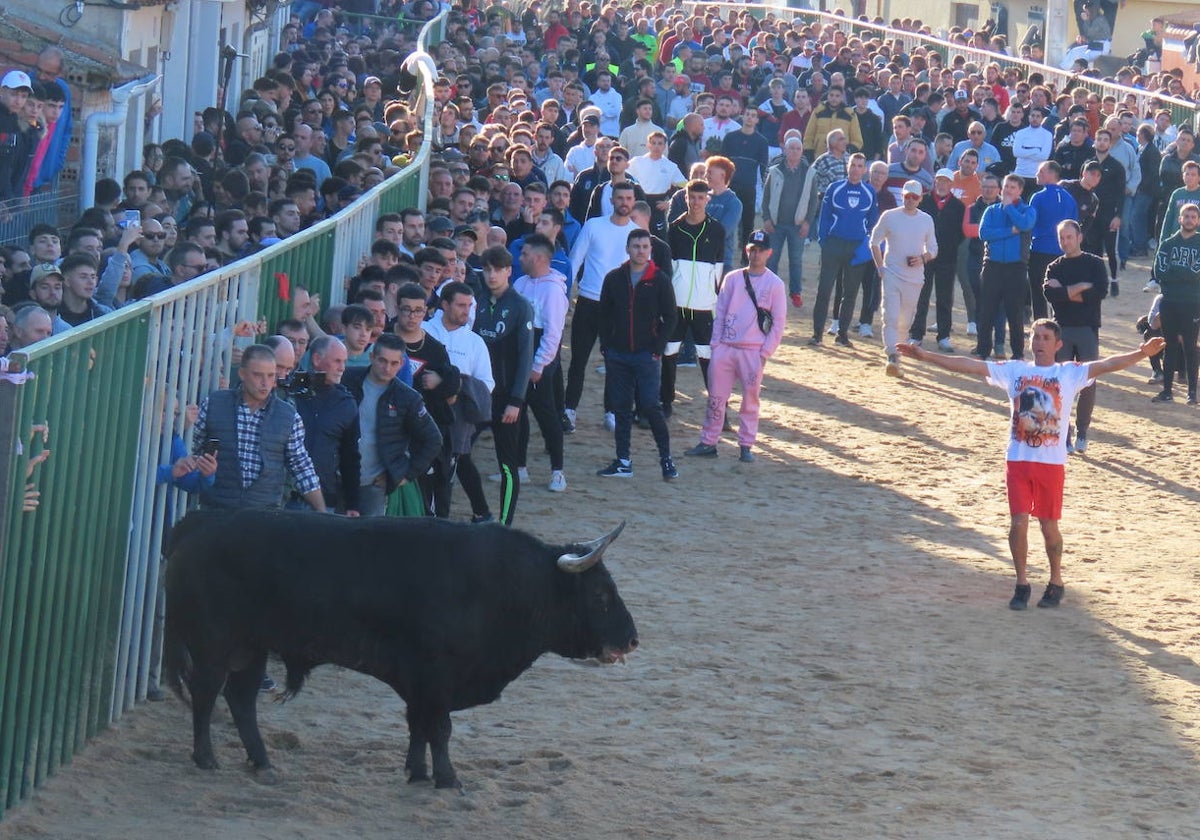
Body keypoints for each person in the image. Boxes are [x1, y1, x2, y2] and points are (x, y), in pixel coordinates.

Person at [897, 320, 1164, 610]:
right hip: (1018, 460)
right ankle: (1022, 583)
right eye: (1035, 337)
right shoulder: (1016, 370)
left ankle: (1056, 581)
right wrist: (926, 356)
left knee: (1049, 527)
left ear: (1057, 345)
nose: (1039, 342)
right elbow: (970, 365)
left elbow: (1107, 364)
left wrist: (1141, 353)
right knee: (1018, 522)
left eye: (1045, 338)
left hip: (1051, 464)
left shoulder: (1069, 373)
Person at [684, 231, 786, 463]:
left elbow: (779, 323)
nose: (756, 254)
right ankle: (709, 441)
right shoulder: (732, 279)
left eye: (760, 250)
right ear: (746, 250)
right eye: (752, 249)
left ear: (769, 253)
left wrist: (764, 353)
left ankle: (746, 444)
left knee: (750, 399)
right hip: (726, 348)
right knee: (716, 398)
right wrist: (716, 344)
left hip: (752, 350)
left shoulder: (775, 285)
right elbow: (719, 312)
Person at [192, 344, 326, 512]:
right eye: (258, 375)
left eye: (271, 376)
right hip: (216, 509)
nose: (265, 383)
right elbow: (193, 450)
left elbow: (302, 468)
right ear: (242, 374)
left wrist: (322, 512)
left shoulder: (288, 416)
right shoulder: (214, 403)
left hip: (263, 515)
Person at [596, 228, 678, 481]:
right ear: (627, 249)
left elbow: (671, 317)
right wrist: (606, 346)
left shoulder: (660, 279)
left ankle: (666, 459)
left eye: (644, 247)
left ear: (650, 250)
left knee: (650, 407)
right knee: (621, 409)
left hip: (646, 355)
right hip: (618, 354)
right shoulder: (614, 278)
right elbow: (604, 314)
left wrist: (657, 348)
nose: (640, 251)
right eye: (636, 246)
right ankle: (623, 461)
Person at [341, 333, 442, 518]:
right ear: (372, 357)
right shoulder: (346, 380)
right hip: (338, 478)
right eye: (382, 361)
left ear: (402, 364)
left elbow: (434, 439)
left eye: (394, 363)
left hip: (373, 484)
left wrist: (403, 475)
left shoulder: (407, 398)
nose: (387, 368)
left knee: (370, 542)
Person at [473, 246, 535, 525]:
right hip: (475, 394)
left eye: (497, 269)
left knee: (508, 466)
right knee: (456, 454)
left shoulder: (521, 306)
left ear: (509, 271)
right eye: (487, 269)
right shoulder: (475, 301)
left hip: (505, 398)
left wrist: (517, 400)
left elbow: (525, 358)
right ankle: (476, 511)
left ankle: (505, 524)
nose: (492, 275)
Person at [1042, 220, 1108, 452]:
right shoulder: (1054, 267)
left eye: (1069, 237)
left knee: (1088, 382)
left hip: (1087, 329)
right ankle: (1065, 435)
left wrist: (1067, 290)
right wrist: (1081, 286)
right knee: (1061, 385)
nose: (1066, 242)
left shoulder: (1095, 263)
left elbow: (1099, 293)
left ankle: (1082, 432)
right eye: (1062, 238)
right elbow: (1051, 295)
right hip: (1062, 330)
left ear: (1079, 237)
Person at [663, 179, 724, 418]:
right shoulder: (675, 228)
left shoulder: (717, 229)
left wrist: (714, 299)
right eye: (692, 197)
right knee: (669, 353)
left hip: (704, 305)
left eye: (701, 198)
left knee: (708, 357)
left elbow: (718, 267)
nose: (696, 202)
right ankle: (666, 402)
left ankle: (719, 408)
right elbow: (671, 267)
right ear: (685, 198)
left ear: (707, 199)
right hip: (677, 304)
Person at [513, 234, 568, 493]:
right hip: (520, 355)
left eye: (524, 254)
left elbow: (553, 334)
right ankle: (519, 467)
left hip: (539, 360)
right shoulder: (521, 283)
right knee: (518, 413)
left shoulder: (553, 290)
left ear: (538, 258)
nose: (520, 258)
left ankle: (558, 471)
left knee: (546, 415)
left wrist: (538, 366)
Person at [869, 180, 937, 375]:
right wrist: (880, 267)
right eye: (907, 196)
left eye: (914, 197)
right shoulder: (890, 216)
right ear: (903, 196)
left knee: (905, 319)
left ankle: (897, 353)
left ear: (920, 199)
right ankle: (891, 355)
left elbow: (933, 248)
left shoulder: (926, 220)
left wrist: (922, 258)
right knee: (889, 315)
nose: (910, 200)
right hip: (892, 273)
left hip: (914, 279)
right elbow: (874, 241)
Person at [811, 153, 876, 347]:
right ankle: (817, 334)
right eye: (852, 165)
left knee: (850, 293)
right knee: (824, 290)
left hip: (856, 248)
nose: (855, 169)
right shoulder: (835, 188)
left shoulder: (870, 191)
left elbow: (873, 221)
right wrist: (824, 241)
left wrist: (866, 246)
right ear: (847, 167)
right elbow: (824, 217)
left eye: (859, 166)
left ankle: (843, 335)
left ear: (864, 170)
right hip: (834, 244)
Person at [293, 336, 361, 514]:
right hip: (287, 495)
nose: (342, 368)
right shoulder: (291, 392)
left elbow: (350, 457)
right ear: (317, 359)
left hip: (324, 499)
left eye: (344, 362)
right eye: (337, 361)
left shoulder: (346, 403)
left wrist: (353, 504)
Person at [975, 174, 1037, 362]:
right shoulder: (992, 210)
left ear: (1020, 191)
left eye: (1012, 187)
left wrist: (1010, 208)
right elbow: (984, 233)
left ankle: (1018, 353)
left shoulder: (1028, 210)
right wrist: (1009, 232)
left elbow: (1025, 224)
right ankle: (983, 351)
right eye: (1006, 186)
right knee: (987, 311)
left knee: (1014, 313)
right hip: (992, 266)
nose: (1008, 190)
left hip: (1016, 268)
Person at [909, 170, 964, 352]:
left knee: (945, 298)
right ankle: (916, 334)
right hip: (924, 257)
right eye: (939, 180)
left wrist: (948, 245)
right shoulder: (922, 201)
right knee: (921, 296)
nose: (942, 184)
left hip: (947, 258)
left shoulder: (958, 206)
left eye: (946, 181)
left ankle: (944, 335)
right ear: (934, 181)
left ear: (951, 184)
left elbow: (961, 233)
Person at [1152, 203, 1200, 405]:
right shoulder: (1168, 244)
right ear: (1179, 219)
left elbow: (1196, 274)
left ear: (1197, 221)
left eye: (1193, 217)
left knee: (1191, 347)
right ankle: (1167, 392)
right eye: (1186, 216)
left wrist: (1176, 273)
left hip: (1192, 303)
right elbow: (1159, 272)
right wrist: (1185, 274)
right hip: (1169, 302)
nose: (1189, 220)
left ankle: (1192, 394)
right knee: (1169, 346)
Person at [761, 136, 814, 308]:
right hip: (776, 224)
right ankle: (769, 291)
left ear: (802, 152)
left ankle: (796, 293)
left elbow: (814, 201)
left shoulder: (809, 173)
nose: (795, 151)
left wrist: (807, 222)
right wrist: (766, 219)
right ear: (785, 150)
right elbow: (766, 197)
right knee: (772, 259)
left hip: (797, 224)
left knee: (796, 260)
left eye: (798, 149)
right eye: (791, 148)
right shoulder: (775, 171)